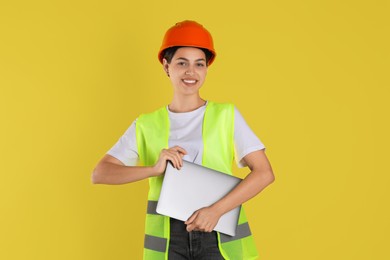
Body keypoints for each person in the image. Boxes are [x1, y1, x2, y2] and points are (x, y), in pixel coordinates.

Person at [92, 20, 275, 260]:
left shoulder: (226, 115)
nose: (191, 72)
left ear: (206, 68)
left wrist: (215, 211)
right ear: (166, 67)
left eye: (199, 64)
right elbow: (100, 173)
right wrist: (153, 169)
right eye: (182, 63)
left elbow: (264, 173)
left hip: (217, 234)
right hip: (170, 240)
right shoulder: (147, 123)